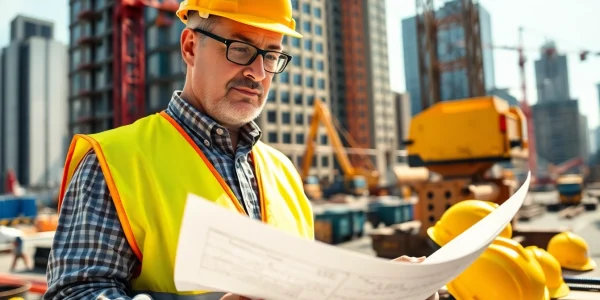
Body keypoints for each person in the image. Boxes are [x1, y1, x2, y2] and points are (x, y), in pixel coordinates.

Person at [44, 1, 438, 299]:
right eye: (240, 48)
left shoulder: (282, 171)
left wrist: (374, 289)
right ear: (190, 46)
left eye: (271, 55)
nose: (258, 72)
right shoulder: (114, 160)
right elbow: (75, 291)